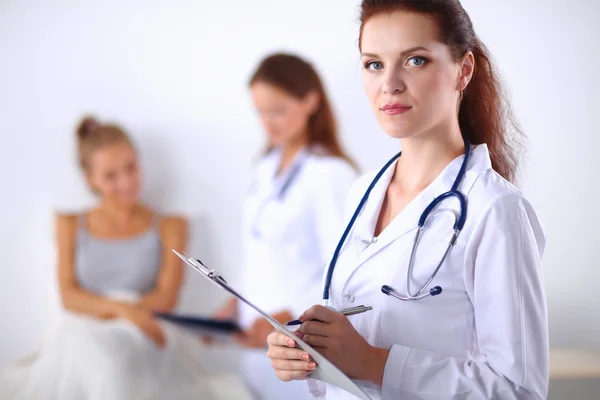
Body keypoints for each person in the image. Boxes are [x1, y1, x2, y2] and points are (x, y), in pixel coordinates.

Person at [265, 1, 549, 399]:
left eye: (415, 61)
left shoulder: (495, 210)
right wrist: (308, 353)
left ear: (463, 70)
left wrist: (374, 363)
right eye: (374, 64)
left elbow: (518, 389)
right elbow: (353, 336)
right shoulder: (363, 192)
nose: (390, 84)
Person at [0, 116, 221, 400]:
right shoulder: (69, 223)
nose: (126, 182)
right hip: (83, 331)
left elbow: (166, 297)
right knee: (87, 352)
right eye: (111, 175)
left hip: (142, 333)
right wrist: (124, 310)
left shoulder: (170, 225)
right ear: (90, 178)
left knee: (110, 365)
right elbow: (68, 296)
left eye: (131, 168)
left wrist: (123, 314)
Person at [211, 53, 358, 400]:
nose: (267, 122)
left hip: (300, 348)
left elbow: (344, 274)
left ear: (310, 101)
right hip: (255, 347)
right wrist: (233, 307)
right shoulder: (264, 168)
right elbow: (258, 252)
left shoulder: (331, 174)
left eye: (276, 110)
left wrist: (288, 315)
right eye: (260, 111)